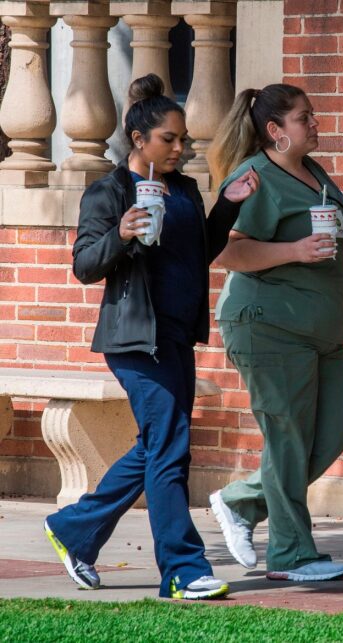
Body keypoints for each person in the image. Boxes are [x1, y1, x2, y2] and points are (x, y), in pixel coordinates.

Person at [43, 74, 259, 600]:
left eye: (184, 140)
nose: (182, 149)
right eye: (171, 139)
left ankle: (74, 530)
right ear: (139, 139)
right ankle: (183, 570)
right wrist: (120, 234)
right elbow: (84, 266)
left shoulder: (183, 189)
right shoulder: (109, 192)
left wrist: (227, 202)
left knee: (158, 445)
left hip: (178, 336)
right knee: (170, 449)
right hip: (137, 342)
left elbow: (198, 250)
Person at [205, 83, 343, 581]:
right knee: (289, 439)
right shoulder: (254, 178)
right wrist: (292, 252)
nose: (315, 123)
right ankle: (293, 555)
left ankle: (240, 502)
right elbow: (227, 250)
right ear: (275, 131)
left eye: (311, 114)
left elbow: (333, 245)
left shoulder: (313, 173)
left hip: (320, 326)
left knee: (335, 430)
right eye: (304, 117)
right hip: (267, 325)